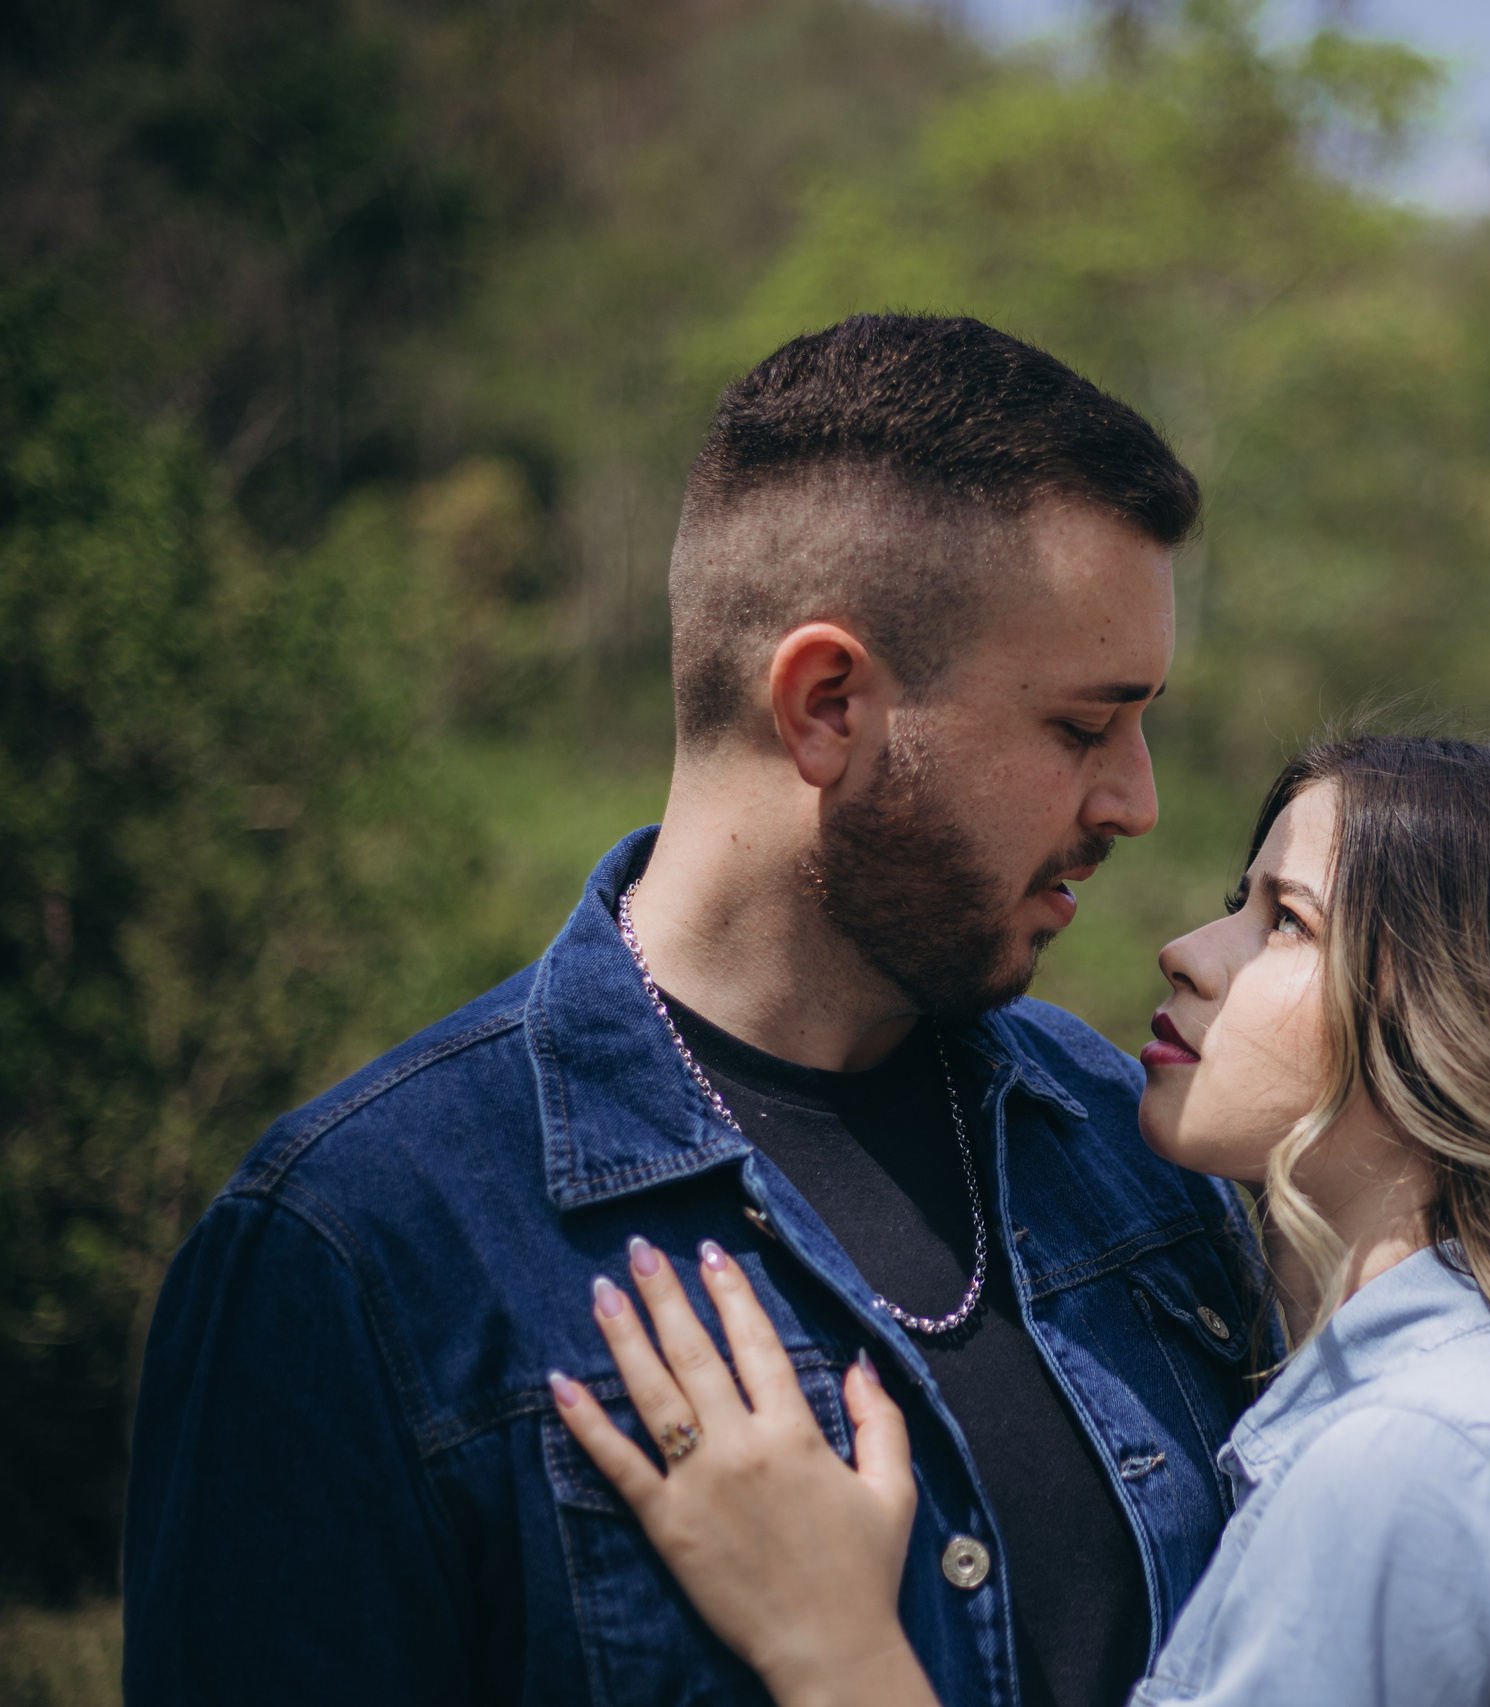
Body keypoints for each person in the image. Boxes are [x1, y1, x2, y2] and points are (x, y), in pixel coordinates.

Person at [121, 315, 1264, 1707]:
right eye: (1084, 726)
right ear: (829, 702)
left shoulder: (1135, 1154)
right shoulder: (361, 1251)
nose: (1134, 803)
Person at [552, 736, 1490, 1707]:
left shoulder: (1406, 1472)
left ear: (1469, 1028)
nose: (1187, 949)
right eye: (1241, 901)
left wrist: (835, 1649)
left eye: (1286, 921)